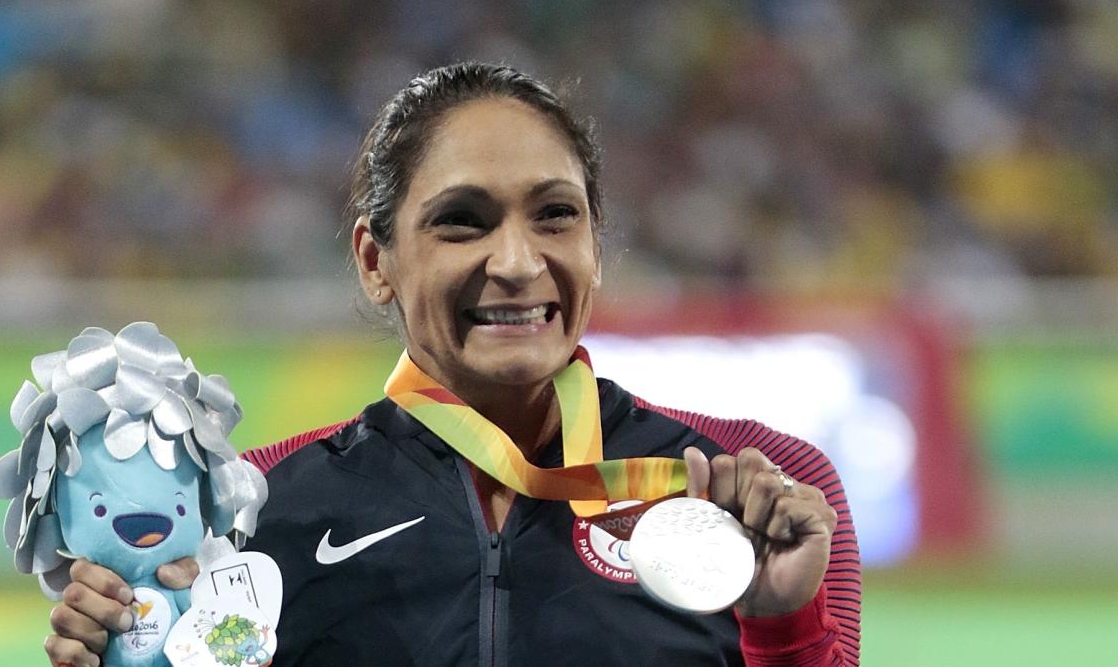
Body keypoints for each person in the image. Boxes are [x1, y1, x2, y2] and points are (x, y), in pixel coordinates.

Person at [43, 62, 861, 666]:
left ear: (595, 244)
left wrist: (783, 629)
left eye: (554, 215)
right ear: (376, 261)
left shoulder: (757, 489)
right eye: (462, 222)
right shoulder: (244, 516)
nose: (516, 261)